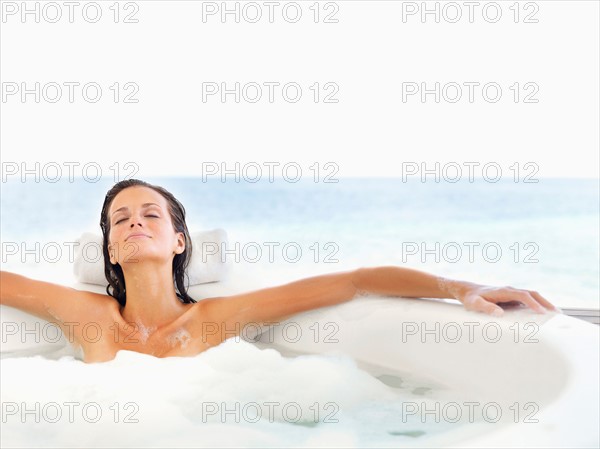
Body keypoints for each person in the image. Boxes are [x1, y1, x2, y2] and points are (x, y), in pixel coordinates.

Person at [0, 179, 560, 363]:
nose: (134, 224)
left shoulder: (218, 318)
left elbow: (354, 281)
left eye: (151, 215)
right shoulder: (86, 313)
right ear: (110, 252)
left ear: (179, 241)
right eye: (119, 221)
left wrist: (463, 287)